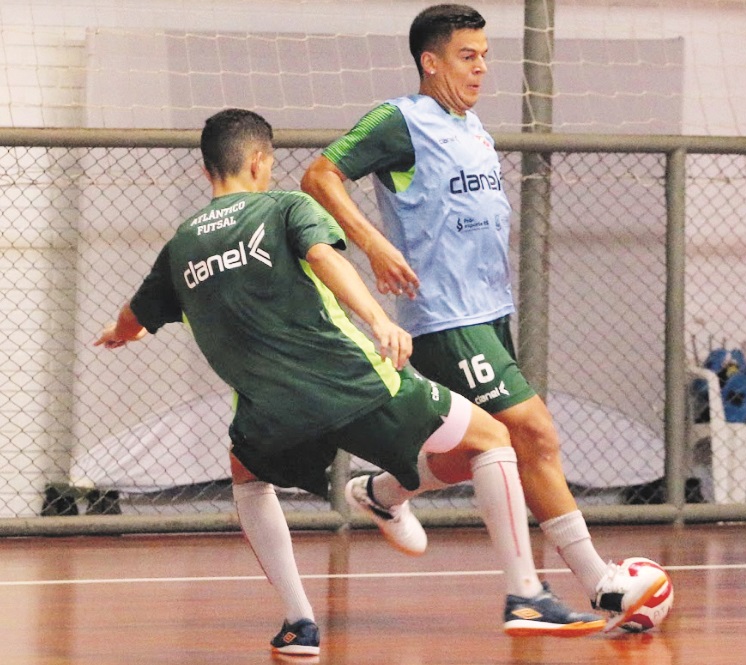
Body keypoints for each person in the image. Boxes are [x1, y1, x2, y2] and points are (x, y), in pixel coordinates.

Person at [94, 108, 610, 657]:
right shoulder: (285, 206)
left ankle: (299, 624)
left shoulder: (180, 247)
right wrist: (379, 319)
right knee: (493, 439)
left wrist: (121, 333)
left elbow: (133, 316)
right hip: (354, 383)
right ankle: (526, 595)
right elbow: (324, 258)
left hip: (269, 411)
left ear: (206, 170)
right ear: (259, 161)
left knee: (247, 477)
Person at [301, 3, 667, 634]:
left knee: (484, 446)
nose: (481, 68)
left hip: (490, 312)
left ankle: (384, 492)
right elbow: (319, 174)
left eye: (485, 56)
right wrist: (373, 243)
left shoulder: (471, 127)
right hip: (445, 319)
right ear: (430, 61)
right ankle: (599, 586)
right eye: (467, 56)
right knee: (535, 432)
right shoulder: (401, 120)